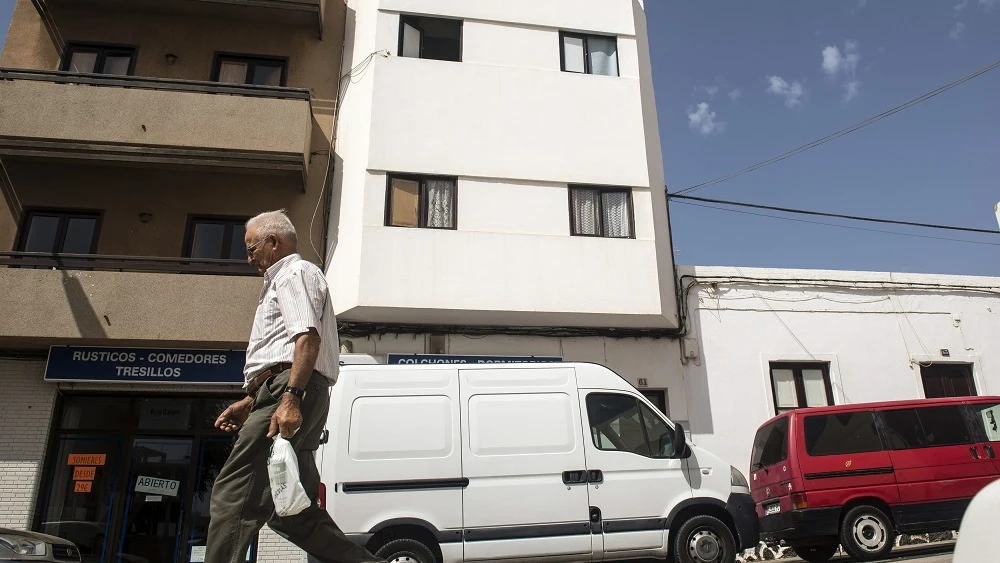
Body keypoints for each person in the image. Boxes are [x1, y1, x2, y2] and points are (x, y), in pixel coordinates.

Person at [205, 209, 383, 563]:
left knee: (233, 494)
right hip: (287, 390)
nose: (249, 257)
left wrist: (290, 398)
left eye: (252, 248)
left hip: (290, 389)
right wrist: (250, 401)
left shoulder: (293, 273)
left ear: (273, 243)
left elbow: (307, 340)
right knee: (289, 508)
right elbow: (284, 350)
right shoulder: (287, 278)